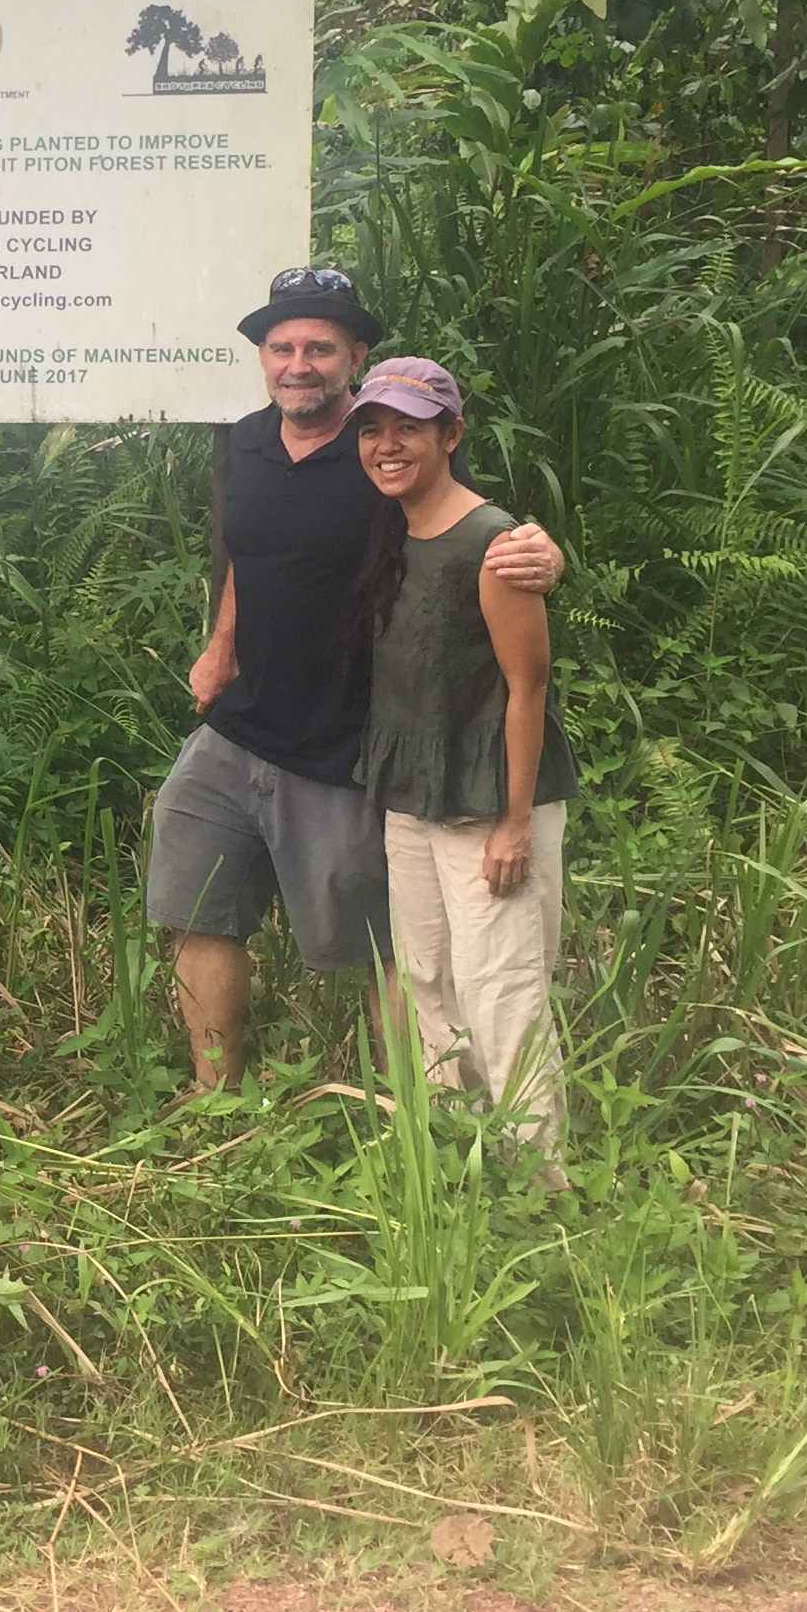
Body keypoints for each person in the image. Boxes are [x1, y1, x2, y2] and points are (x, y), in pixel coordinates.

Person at [150, 266, 560, 1091]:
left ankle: (418, 1115)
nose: (299, 363)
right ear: (263, 358)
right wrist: (220, 646)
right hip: (235, 729)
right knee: (194, 906)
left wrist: (545, 554)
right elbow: (243, 554)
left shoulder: (384, 450)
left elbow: (471, 534)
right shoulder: (246, 443)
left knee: (384, 951)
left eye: (320, 348)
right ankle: (212, 1100)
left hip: (343, 749)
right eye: (282, 347)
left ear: (355, 358)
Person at [348, 357, 577, 1156]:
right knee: (427, 981)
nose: (386, 445)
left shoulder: (495, 542)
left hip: (488, 798)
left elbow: (529, 686)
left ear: (451, 434)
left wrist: (515, 823)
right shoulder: (391, 527)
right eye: (372, 430)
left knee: (502, 990)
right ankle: (456, 1157)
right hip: (412, 793)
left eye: (407, 428)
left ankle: (541, 1180)